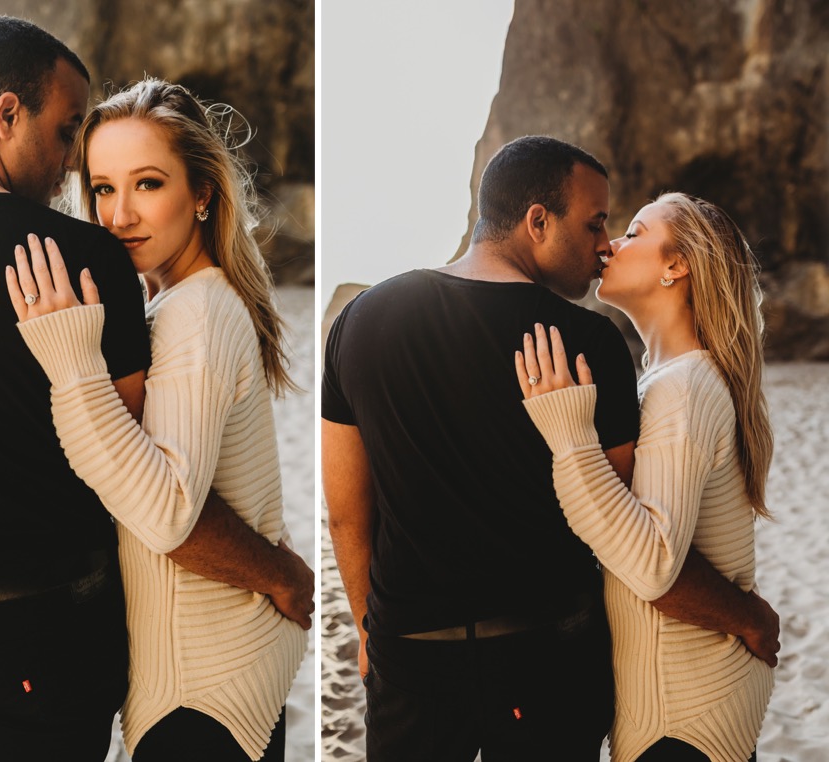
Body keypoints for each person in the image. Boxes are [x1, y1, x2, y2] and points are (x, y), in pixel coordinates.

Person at [0, 17, 310, 762]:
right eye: (68, 130)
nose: (71, 165)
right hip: (57, 627)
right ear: (7, 113)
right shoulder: (87, 260)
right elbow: (128, 483)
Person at [321, 136, 780, 761]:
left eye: (619, 229)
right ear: (538, 220)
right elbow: (613, 541)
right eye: (595, 224)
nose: (604, 244)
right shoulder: (589, 343)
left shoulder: (358, 321)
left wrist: (370, 628)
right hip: (547, 665)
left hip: (412, 656)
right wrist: (747, 614)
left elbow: (348, 510)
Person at [3, 78, 308, 761]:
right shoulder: (190, 299)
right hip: (230, 668)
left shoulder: (193, 314)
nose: (118, 215)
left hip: (201, 692)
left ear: (202, 192)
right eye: (103, 188)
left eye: (147, 183)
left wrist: (73, 365)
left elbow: (169, 510)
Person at [516, 192, 776, 761]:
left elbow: (655, 561)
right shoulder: (673, 380)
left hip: (683, 718)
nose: (609, 245)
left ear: (676, 265)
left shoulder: (682, 388)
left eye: (634, 233)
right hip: (697, 703)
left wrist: (569, 435)